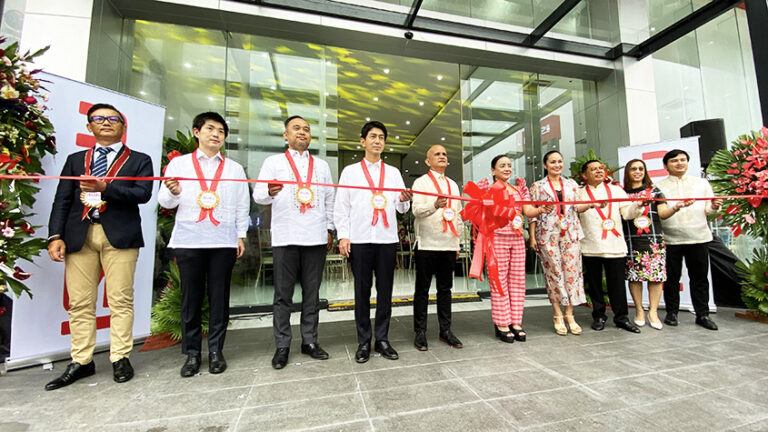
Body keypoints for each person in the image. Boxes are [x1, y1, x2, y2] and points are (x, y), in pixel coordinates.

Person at [46, 103, 153, 390]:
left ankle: (120, 357)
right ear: (89, 126)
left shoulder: (139, 160)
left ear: (123, 126)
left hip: (119, 236)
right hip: (79, 236)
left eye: (113, 119)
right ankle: (81, 360)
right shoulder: (76, 159)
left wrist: (106, 188)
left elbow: (142, 194)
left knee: (120, 299)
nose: (106, 122)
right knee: (80, 302)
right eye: (99, 119)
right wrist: (55, 235)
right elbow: (62, 200)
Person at [158, 112, 249, 377]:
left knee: (220, 298)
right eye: (210, 129)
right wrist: (173, 192)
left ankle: (216, 351)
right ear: (197, 132)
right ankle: (192, 354)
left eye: (221, 131)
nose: (216, 134)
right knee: (191, 298)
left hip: (223, 241)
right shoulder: (179, 165)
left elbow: (242, 205)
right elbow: (165, 201)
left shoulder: (234, 169)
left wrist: (240, 235)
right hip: (190, 239)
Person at [253, 115, 335, 369]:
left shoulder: (321, 166)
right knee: (283, 295)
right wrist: (268, 191)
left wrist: (330, 228)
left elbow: (329, 198)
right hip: (286, 237)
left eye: (307, 129)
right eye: (296, 128)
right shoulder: (273, 162)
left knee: (312, 294)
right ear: (285, 135)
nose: (302, 132)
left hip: (315, 237)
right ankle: (282, 345)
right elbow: (257, 195)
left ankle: (309, 341)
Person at [333, 121, 412, 363]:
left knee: (386, 291)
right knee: (362, 292)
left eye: (382, 138)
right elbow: (341, 207)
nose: (378, 141)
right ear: (363, 141)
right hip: (359, 239)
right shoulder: (351, 172)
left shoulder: (393, 173)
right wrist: (343, 235)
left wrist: (404, 198)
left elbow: (400, 207)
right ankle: (363, 341)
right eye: (373, 136)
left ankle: (383, 339)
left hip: (386, 240)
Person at [477, 155, 543, 343]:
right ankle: (502, 323)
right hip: (497, 238)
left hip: (517, 239)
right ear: (493, 171)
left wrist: (540, 210)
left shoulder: (518, 189)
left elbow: (528, 210)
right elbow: (485, 212)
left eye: (509, 165)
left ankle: (516, 322)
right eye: (502, 165)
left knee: (517, 281)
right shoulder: (489, 189)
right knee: (499, 282)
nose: (507, 168)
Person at [656, 149, 722, 330]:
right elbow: (659, 214)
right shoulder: (658, 186)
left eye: (683, 160)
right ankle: (671, 313)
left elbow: (709, 210)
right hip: (670, 239)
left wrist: (715, 207)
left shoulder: (701, 184)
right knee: (671, 278)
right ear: (666, 165)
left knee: (699, 278)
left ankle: (702, 314)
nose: (679, 163)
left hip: (698, 237)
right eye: (674, 161)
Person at [576, 160, 644, 333]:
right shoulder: (579, 192)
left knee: (617, 285)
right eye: (593, 169)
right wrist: (591, 204)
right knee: (595, 284)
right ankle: (599, 316)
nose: (599, 171)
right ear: (584, 175)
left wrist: (638, 206)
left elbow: (627, 214)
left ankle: (621, 318)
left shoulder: (616, 190)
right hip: (590, 245)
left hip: (614, 245)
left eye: (601, 168)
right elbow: (575, 210)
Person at [410, 145, 463, 351]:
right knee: (422, 290)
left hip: (449, 244)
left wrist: (458, 243)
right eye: (437, 154)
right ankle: (420, 332)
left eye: (444, 154)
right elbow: (416, 211)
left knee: (445, 290)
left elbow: (457, 215)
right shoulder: (421, 182)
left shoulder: (453, 185)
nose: (442, 157)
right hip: (427, 244)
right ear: (427, 161)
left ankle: (445, 331)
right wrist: (435, 205)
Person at [529, 150, 585, 336]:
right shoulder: (537, 186)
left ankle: (570, 314)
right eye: (553, 162)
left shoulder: (572, 185)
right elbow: (532, 215)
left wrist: (595, 204)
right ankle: (557, 314)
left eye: (560, 161)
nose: (557, 165)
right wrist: (533, 237)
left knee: (572, 272)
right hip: (547, 235)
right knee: (553, 273)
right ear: (545, 165)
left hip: (570, 234)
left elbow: (579, 207)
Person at [622, 159, 680, 330]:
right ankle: (639, 310)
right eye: (633, 169)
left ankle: (653, 311)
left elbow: (662, 213)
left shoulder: (655, 191)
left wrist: (675, 208)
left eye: (641, 168)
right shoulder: (622, 193)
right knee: (634, 276)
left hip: (653, 240)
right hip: (631, 239)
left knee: (655, 277)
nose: (637, 172)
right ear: (628, 172)